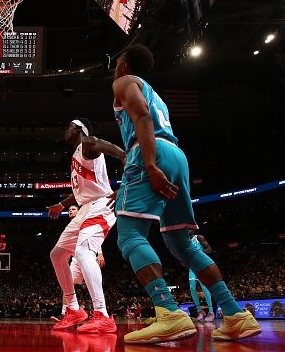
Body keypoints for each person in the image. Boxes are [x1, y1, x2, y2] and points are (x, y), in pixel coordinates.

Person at [111, 44, 261, 343]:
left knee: (129, 235)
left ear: (126, 65)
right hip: (177, 156)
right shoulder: (156, 94)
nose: (114, 67)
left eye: (117, 62)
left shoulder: (124, 82)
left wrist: (149, 165)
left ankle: (168, 312)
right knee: (182, 243)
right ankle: (235, 314)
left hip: (152, 152)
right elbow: (145, 118)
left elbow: (142, 117)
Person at [47, 118, 124, 332]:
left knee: (82, 251)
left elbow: (110, 147)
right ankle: (73, 310)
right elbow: (80, 191)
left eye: (70, 125)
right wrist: (61, 205)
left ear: (81, 129)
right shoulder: (77, 155)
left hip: (101, 204)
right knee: (57, 255)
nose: (66, 129)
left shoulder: (88, 143)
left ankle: (102, 314)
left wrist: (125, 163)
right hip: (85, 207)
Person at [50, 203, 107, 323]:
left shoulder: (85, 219)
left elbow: (95, 236)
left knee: (94, 285)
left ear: (79, 211)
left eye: (73, 209)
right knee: (68, 284)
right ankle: (66, 313)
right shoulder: (71, 226)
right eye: (69, 209)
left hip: (89, 255)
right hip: (76, 259)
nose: (70, 211)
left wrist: (100, 253)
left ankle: (100, 312)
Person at [189, 231, 215, 322]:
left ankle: (211, 312)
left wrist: (198, 253)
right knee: (192, 288)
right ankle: (200, 311)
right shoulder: (185, 241)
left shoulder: (199, 237)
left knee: (204, 287)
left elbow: (209, 249)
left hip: (201, 264)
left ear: (192, 230)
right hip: (192, 266)